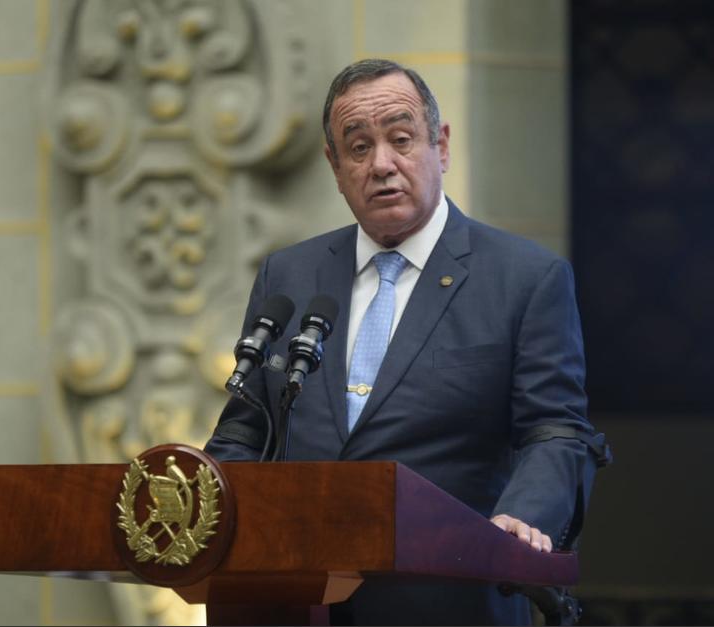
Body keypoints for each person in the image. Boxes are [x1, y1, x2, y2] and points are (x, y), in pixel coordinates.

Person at [204, 58, 606, 625]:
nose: (382, 165)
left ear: (440, 146)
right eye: (359, 147)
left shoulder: (524, 278)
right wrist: (191, 510)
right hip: (291, 602)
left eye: (400, 138)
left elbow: (555, 429)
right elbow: (246, 431)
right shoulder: (288, 277)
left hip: (447, 599)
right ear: (335, 165)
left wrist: (521, 517)